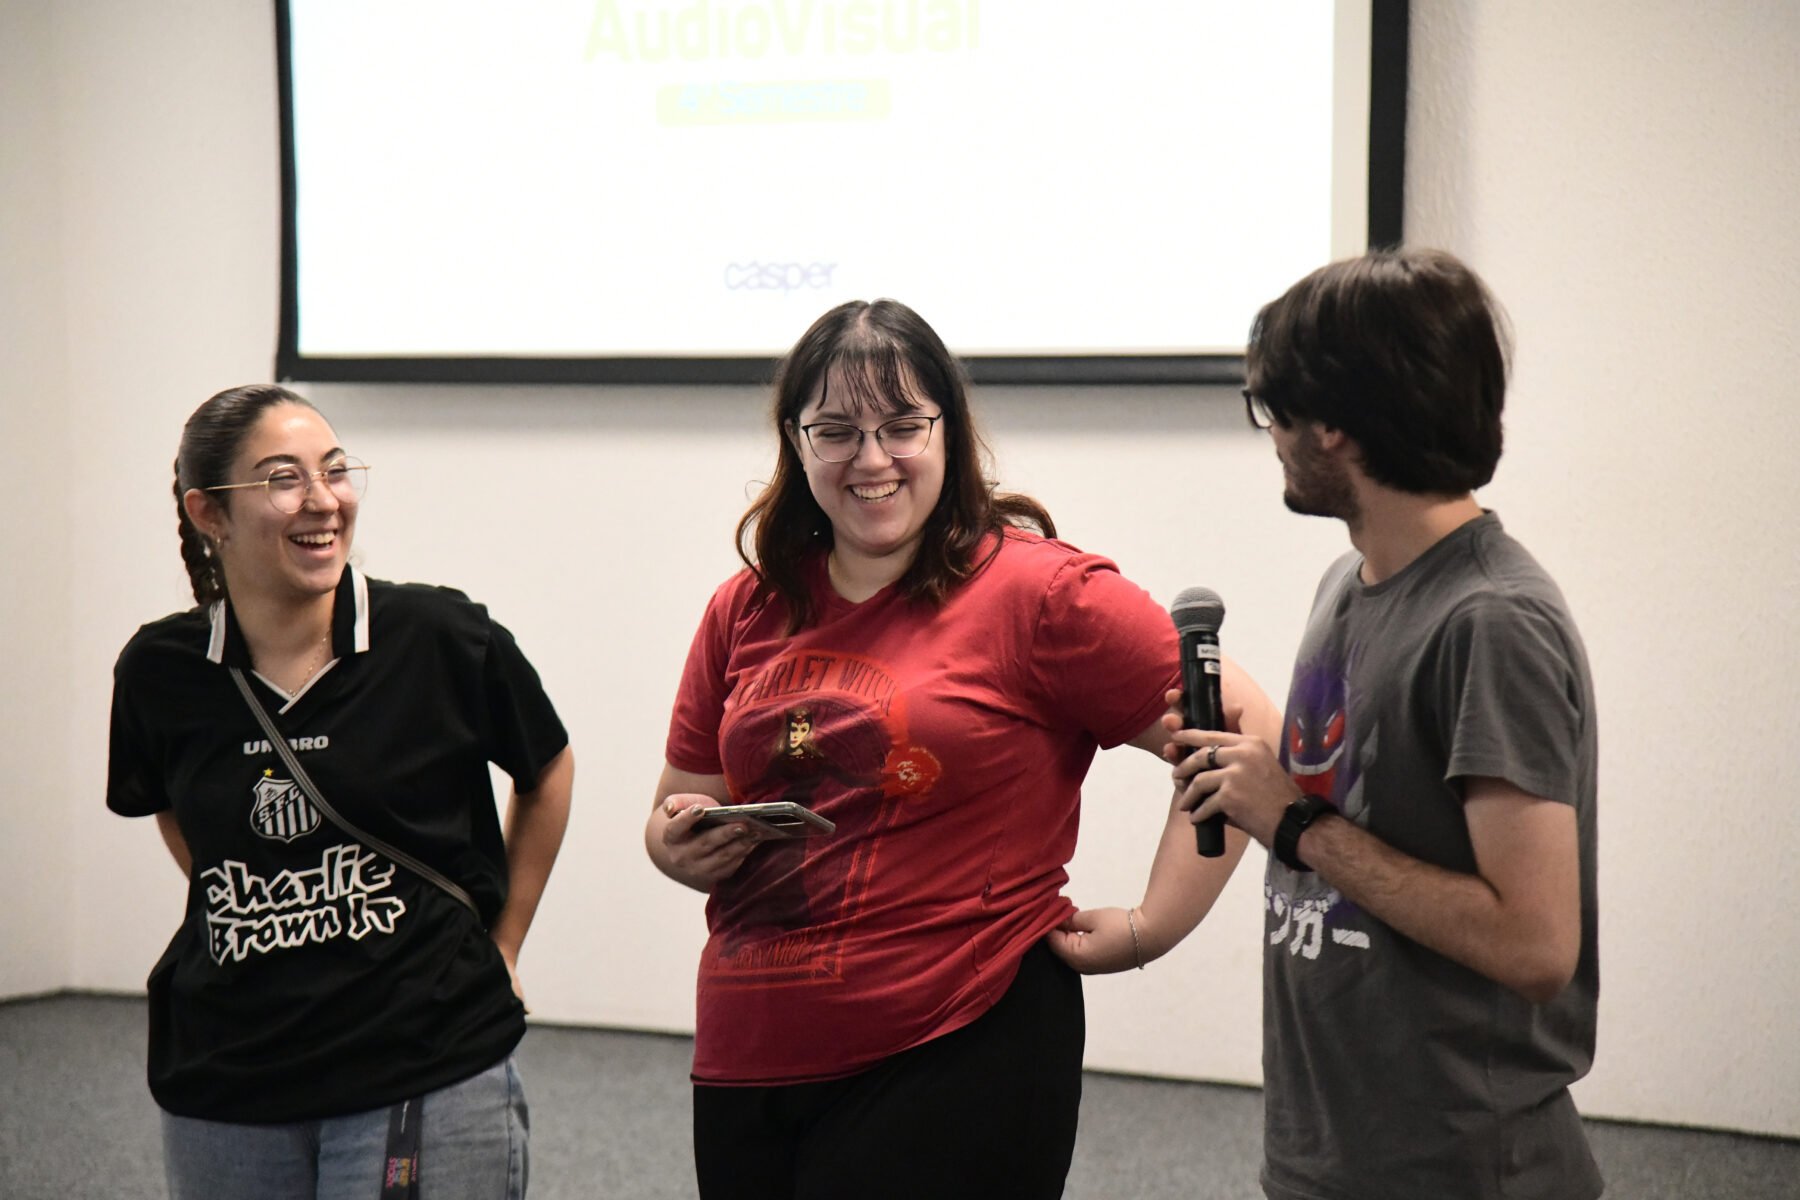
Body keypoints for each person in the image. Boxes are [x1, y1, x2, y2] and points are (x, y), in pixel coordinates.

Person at [645, 298, 1280, 1199]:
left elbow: (1242, 727)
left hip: (959, 1043)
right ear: (795, 441)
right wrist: (680, 842)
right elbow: (677, 811)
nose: (871, 460)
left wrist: (1154, 925)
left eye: (902, 427)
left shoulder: (1038, 592)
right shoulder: (744, 607)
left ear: (950, 430)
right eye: (836, 432)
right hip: (749, 1058)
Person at [1165, 249, 1600, 1198]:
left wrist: (1292, 822)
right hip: (1335, 1150)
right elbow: (1368, 809)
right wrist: (1256, 768)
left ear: (1332, 428)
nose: (1270, 438)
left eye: (1272, 411)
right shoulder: (1349, 582)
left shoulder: (1492, 622)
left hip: (1456, 1168)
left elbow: (1534, 947)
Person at [106, 385, 574, 1200]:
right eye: (283, 478)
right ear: (209, 513)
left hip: (425, 1056)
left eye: (334, 470)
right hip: (227, 1073)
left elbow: (548, 770)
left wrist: (504, 945)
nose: (323, 500)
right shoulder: (160, 672)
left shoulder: (440, 637)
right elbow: (175, 808)